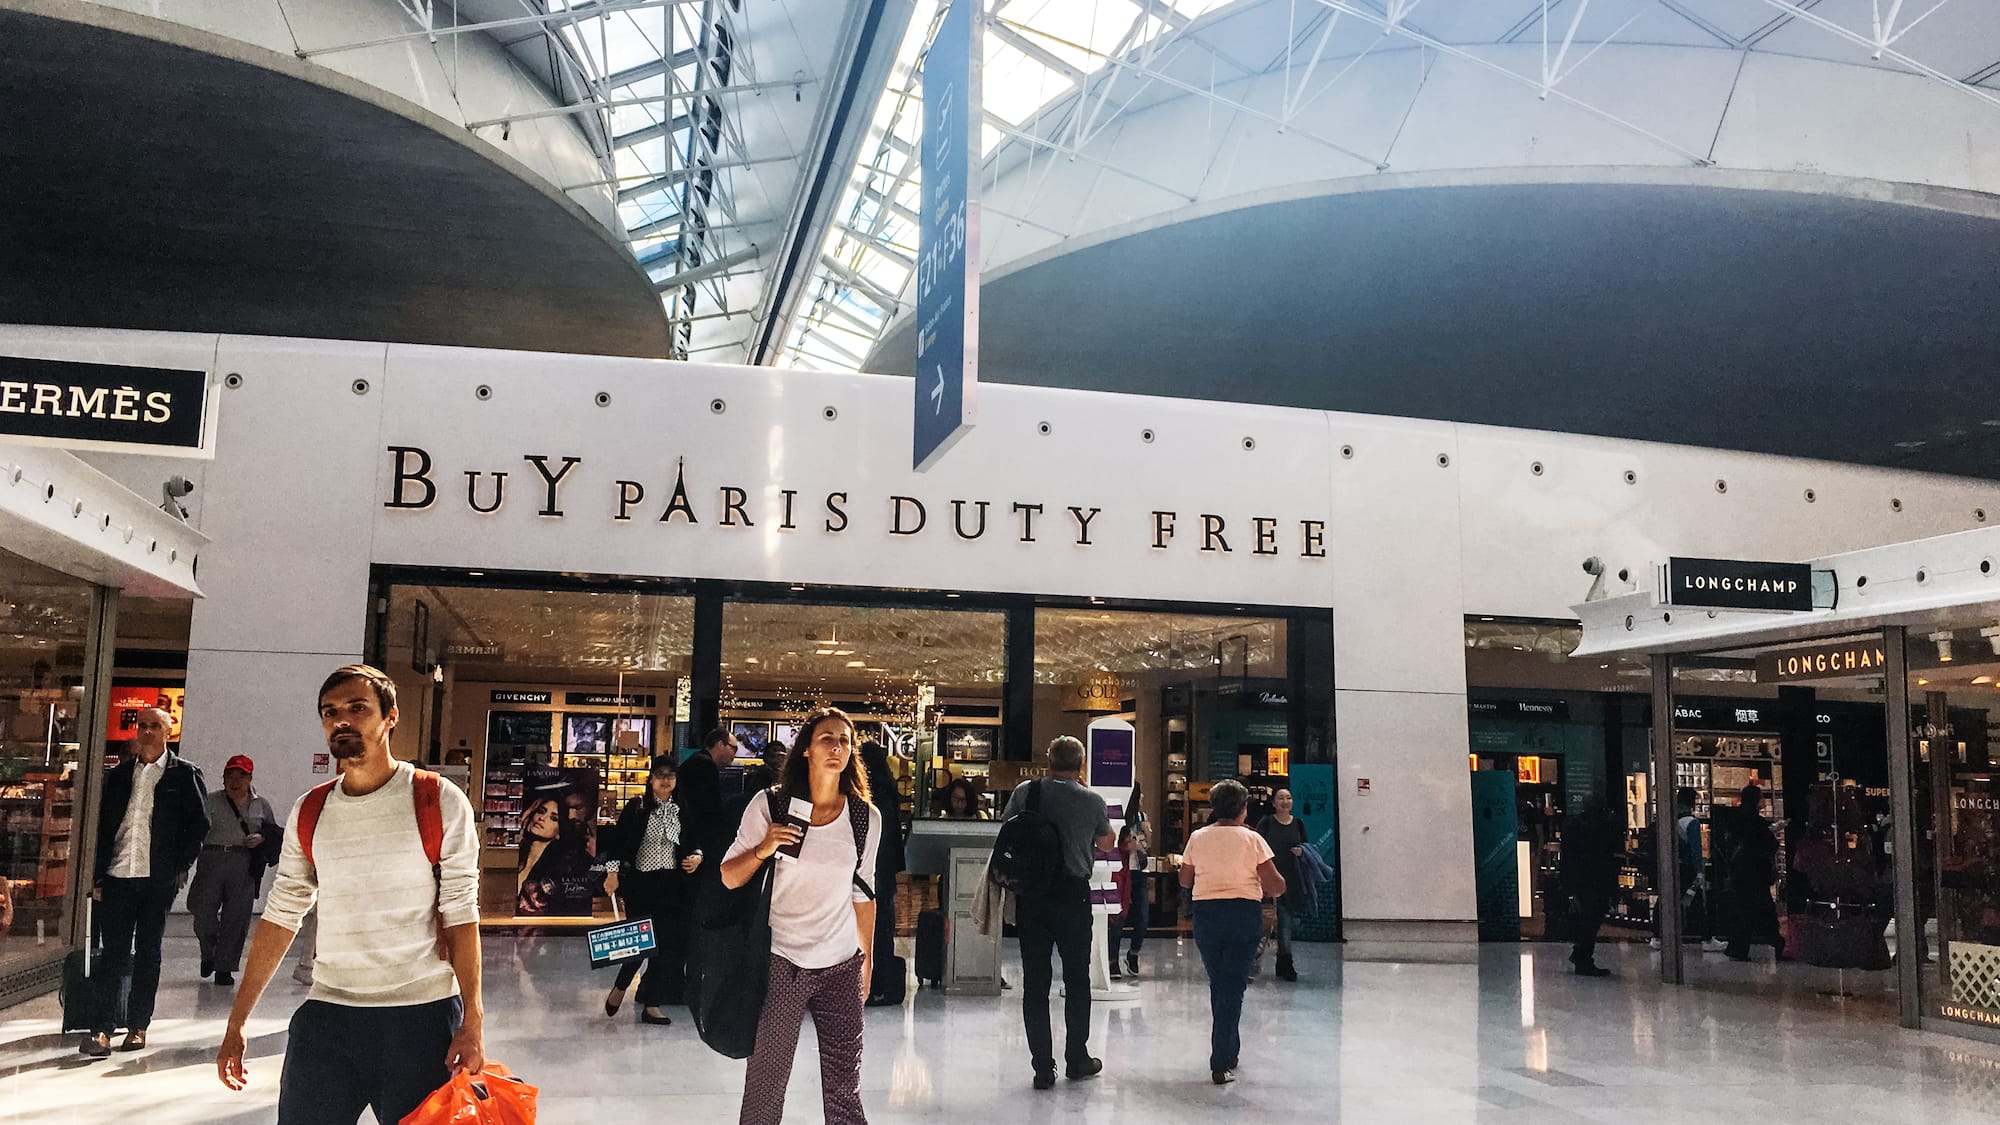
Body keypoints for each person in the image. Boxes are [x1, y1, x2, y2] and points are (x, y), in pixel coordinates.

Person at [216, 664, 485, 1125]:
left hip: (420, 1018)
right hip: (328, 1016)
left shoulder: (437, 800)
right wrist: (237, 1022)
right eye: (329, 712)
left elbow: (461, 911)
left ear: (390, 717)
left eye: (357, 708)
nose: (341, 720)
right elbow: (282, 916)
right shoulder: (312, 809)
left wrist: (474, 1022)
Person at [720, 707, 883, 1125]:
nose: (837, 747)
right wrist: (764, 847)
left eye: (845, 741)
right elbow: (729, 877)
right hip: (783, 962)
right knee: (766, 1084)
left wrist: (867, 959)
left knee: (845, 1088)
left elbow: (863, 893)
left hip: (842, 962)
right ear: (807, 750)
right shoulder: (772, 806)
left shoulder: (865, 817)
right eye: (827, 738)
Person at [80, 706, 210, 1057]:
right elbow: (104, 825)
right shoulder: (120, 775)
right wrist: (97, 874)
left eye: (155, 726)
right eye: (143, 726)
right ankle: (101, 1030)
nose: (148, 732)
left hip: (156, 880)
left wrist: (179, 865)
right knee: (113, 955)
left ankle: (138, 1027)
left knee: (149, 953)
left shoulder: (184, 775)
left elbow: (198, 825)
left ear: (168, 731)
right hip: (119, 876)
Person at [1004, 735, 1115, 1090]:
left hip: (1033, 895)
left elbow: (1007, 828)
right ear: (1081, 765)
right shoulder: (1091, 800)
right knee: (1076, 979)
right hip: (1073, 894)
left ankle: (1041, 1066)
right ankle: (1077, 1058)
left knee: (1035, 983)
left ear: (1048, 761)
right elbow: (1106, 841)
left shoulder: (1026, 791)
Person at [1180, 779, 1286, 1086]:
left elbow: (1185, 880)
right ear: (1243, 808)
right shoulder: (1252, 839)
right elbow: (1275, 884)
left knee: (1221, 983)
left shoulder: (1198, 837)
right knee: (1233, 986)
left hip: (1206, 916)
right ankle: (1220, 1060)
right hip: (1243, 914)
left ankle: (1230, 1048)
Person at [603, 755, 701, 1023]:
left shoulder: (682, 808)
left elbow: (694, 841)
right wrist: (611, 874)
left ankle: (652, 1004)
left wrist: (697, 856)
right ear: (651, 779)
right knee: (640, 941)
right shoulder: (637, 807)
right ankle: (621, 985)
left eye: (671, 775)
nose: (666, 780)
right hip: (640, 884)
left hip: (671, 884)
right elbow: (618, 843)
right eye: (661, 775)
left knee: (665, 946)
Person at [189, 754, 278, 987]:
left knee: (236, 918)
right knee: (202, 913)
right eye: (230, 775)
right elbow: (194, 832)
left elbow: (273, 833)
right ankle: (209, 952)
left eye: (241, 776)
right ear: (223, 778)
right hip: (211, 858)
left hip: (243, 863)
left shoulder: (261, 805)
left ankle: (224, 967)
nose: (235, 780)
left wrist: (261, 838)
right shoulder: (210, 801)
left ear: (250, 778)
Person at [860, 740, 907, 1005]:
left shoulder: (865, 795)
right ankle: (879, 983)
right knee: (882, 926)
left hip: (865, 870)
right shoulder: (888, 789)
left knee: (862, 926)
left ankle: (865, 983)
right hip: (885, 870)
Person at [1560, 798, 1624, 977]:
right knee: (1592, 919)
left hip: (1580, 880)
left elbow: (1569, 857)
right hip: (1596, 881)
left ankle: (1581, 953)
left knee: (1586, 918)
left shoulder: (1573, 826)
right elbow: (1608, 856)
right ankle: (1583, 956)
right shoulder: (1602, 829)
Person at [1725, 784, 1787, 962]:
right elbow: (1768, 845)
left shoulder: (1735, 819)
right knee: (1764, 909)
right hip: (1755, 872)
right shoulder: (1756, 821)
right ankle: (1777, 944)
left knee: (1743, 910)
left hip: (1739, 871)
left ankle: (1737, 947)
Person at [1255, 786, 1308, 982]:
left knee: (1285, 925)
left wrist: (1302, 852)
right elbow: (1256, 847)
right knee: (1262, 924)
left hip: (1289, 881)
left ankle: (1285, 963)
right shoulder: (1266, 823)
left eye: (1288, 798)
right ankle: (1252, 961)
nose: (1285, 801)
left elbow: (1307, 847)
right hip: (1266, 880)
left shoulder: (1299, 824)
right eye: (1281, 798)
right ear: (1274, 803)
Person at [516, 792, 592, 915]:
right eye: (541, 811)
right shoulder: (517, 857)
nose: (542, 818)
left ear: (559, 831)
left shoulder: (560, 868)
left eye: (554, 818)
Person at [678, 727, 742, 856]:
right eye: (734, 749)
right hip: (696, 839)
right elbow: (708, 809)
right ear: (720, 745)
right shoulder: (705, 766)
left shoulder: (697, 761)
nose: (734, 755)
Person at [1110, 817, 1150, 979]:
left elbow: (1145, 855)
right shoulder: (1117, 819)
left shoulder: (1142, 819)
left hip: (1138, 875)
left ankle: (1133, 953)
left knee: (1142, 917)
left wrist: (1145, 838)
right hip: (1120, 872)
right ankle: (1112, 960)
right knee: (1117, 918)